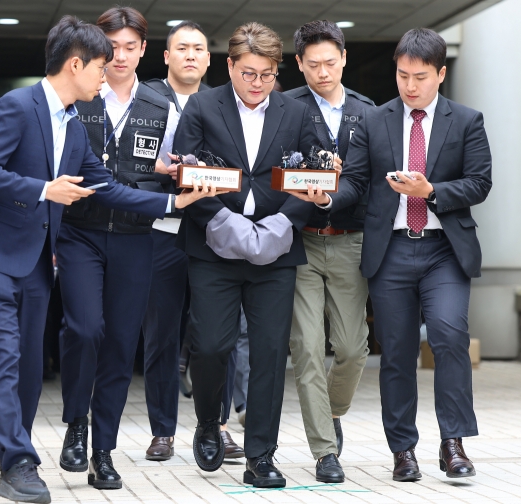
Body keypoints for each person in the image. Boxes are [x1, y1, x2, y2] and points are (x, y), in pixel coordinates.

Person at [0, 16, 217, 504]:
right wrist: (43, 190)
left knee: (29, 365)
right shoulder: (17, 104)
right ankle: (18, 462)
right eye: (99, 64)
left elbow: (108, 188)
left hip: (31, 260)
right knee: (6, 355)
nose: (107, 72)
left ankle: (21, 451)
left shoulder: (71, 126)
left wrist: (173, 204)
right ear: (76, 64)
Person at [295, 27, 492, 482]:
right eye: (402, 75)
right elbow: (357, 182)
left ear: (440, 74)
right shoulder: (375, 120)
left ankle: (453, 442)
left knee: (447, 335)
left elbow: (480, 182)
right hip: (391, 250)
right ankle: (403, 449)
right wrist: (325, 200)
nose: (409, 86)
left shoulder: (466, 121)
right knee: (397, 352)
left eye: (420, 77)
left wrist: (432, 191)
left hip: (444, 250)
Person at [173, 22, 328, 488]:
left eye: (265, 74)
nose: (256, 83)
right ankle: (206, 422)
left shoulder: (297, 112)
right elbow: (186, 172)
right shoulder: (202, 106)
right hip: (213, 248)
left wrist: (284, 223)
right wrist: (226, 223)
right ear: (230, 67)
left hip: (277, 251)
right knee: (212, 345)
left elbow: (314, 172)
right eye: (247, 74)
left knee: (268, 354)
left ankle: (262, 454)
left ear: (276, 71)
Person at [55, 6, 185, 490]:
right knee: (85, 328)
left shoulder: (160, 106)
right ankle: (75, 421)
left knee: (119, 344)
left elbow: (166, 169)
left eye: (131, 47)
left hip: (136, 237)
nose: (121, 56)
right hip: (80, 232)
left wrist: (178, 173)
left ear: (144, 50)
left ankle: (103, 451)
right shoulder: (78, 98)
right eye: (113, 46)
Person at [140, 20, 244, 462]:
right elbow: (135, 166)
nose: (189, 55)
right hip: (162, 231)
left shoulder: (226, 102)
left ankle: (217, 425)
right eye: (180, 48)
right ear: (165, 56)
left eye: (198, 49)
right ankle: (163, 429)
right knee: (162, 335)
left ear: (209, 59)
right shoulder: (144, 99)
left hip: (212, 231)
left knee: (214, 335)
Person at [284, 20, 375, 484]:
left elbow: (372, 180)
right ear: (299, 64)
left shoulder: (368, 111)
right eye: (313, 64)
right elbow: (276, 168)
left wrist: (337, 187)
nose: (323, 72)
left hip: (350, 240)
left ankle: (331, 411)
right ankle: (324, 451)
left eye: (330, 63)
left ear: (344, 57)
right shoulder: (286, 108)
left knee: (354, 349)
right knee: (307, 346)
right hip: (299, 240)